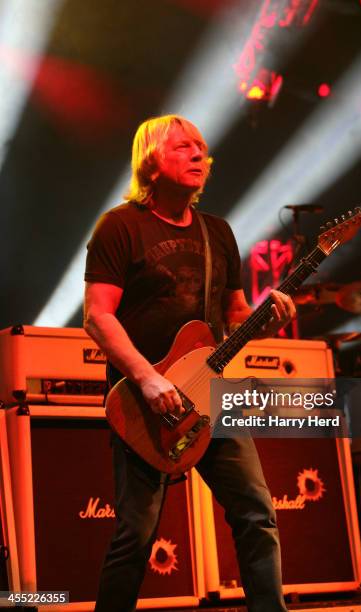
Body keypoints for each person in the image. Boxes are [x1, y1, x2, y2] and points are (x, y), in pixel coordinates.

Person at [83, 114, 296, 612]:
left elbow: (236, 316)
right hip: (142, 401)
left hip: (210, 396)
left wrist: (271, 318)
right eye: (183, 147)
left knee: (256, 513)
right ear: (151, 162)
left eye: (201, 147)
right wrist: (147, 377)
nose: (199, 154)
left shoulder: (217, 233)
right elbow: (98, 316)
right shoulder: (120, 226)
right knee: (136, 534)